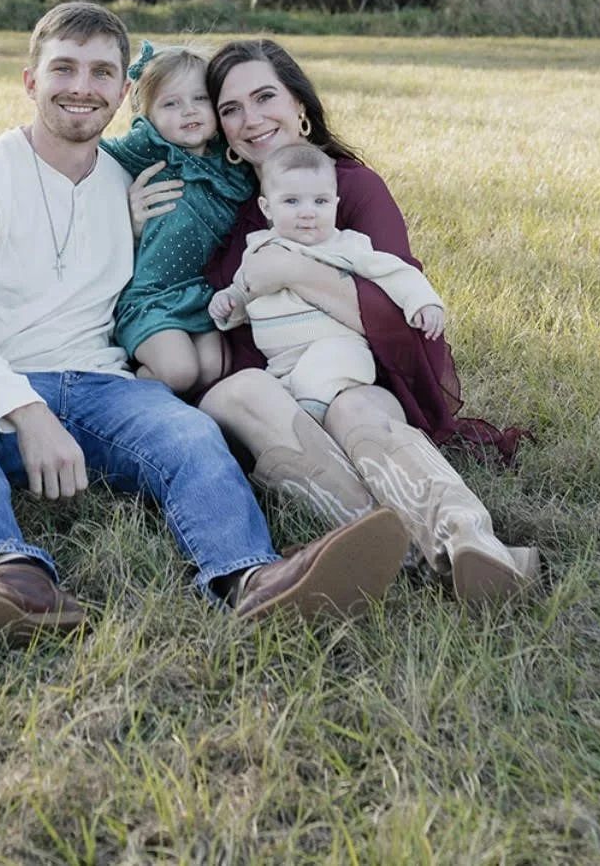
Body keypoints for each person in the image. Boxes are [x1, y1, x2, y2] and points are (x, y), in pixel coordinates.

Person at [0, 3, 408, 648]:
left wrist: (137, 225)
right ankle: (15, 578)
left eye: (101, 73)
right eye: (64, 69)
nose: (82, 86)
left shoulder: (137, 175)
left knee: (192, 432)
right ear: (31, 82)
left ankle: (250, 578)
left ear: (120, 94)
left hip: (108, 387)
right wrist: (26, 410)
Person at [130, 37, 539, 606]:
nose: (250, 120)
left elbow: (402, 323)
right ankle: (404, 547)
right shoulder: (221, 198)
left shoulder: (349, 188)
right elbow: (176, 297)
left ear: (300, 104)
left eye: (265, 97)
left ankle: (470, 541)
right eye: (230, 109)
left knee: (353, 405)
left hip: (357, 375)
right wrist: (132, 226)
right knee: (235, 392)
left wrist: (291, 270)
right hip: (274, 387)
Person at [209, 142, 447, 419]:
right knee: (267, 398)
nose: (307, 212)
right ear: (267, 207)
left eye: (320, 201)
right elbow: (244, 290)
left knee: (315, 381)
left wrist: (423, 303)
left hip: (339, 352)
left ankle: (312, 426)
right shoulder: (258, 249)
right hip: (282, 364)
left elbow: (395, 271)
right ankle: (300, 432)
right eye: (291, 201)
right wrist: (229, 302)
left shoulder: (347, 245)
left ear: (335, 204)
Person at [99, 42, 253, 395]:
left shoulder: (231, 161)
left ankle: (172, 411)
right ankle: (120, 389)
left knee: (214, 369)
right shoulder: (150, 147)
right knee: (180, 371)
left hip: (202, 295)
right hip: (152, 297)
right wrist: (123, 208)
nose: (189, 111)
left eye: (200, 99)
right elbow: (91, 150)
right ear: (147, 116)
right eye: (171, 103)